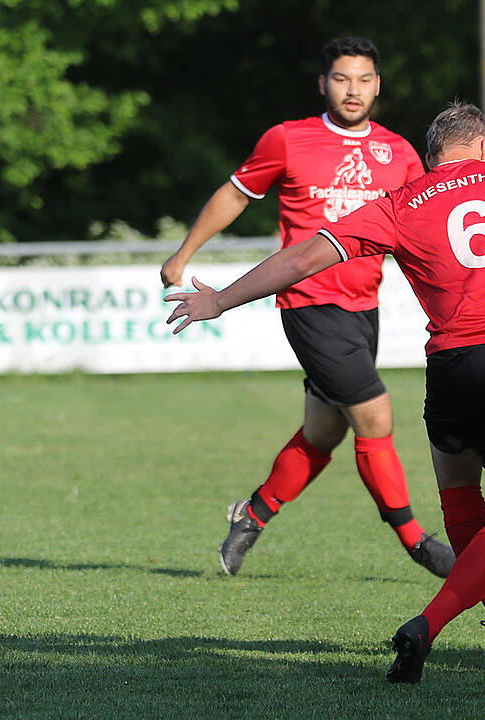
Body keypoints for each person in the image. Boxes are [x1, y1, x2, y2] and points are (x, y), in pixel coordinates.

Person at [164, 102, 485, 683]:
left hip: (454, 364)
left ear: (430, 157)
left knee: (459, 490)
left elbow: (301, 257)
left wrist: (218, 300)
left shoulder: (400, 202)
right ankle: (429, 623)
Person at [159, 37, 455, 579]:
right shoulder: (289, 139)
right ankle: (416, 541)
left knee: (324, 432)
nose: (353, 90)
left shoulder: (400, 152)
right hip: (308, 303)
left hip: (364, 308)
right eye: (342, 79)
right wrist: (185, 252)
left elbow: (427, 222)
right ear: (323, 84)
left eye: (363, 79)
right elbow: (235, 193)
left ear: (377, 85)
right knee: (374, 413)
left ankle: (253, 514)